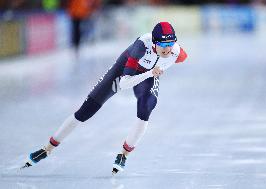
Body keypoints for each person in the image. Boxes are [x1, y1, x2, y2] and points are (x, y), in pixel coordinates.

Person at [22, 22, 188, 174]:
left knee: (146, 108)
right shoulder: (141, 47)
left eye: (170, 44)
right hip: (125, 71)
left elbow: (180, 57)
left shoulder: (177, 53)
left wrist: (152, 73)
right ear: (154, 43)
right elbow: (124, 84)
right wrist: (151, 72)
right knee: (87, 110)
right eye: (162, 45)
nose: (167, 49)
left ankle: (124, 154)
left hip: (149, 74)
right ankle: (47, 148)